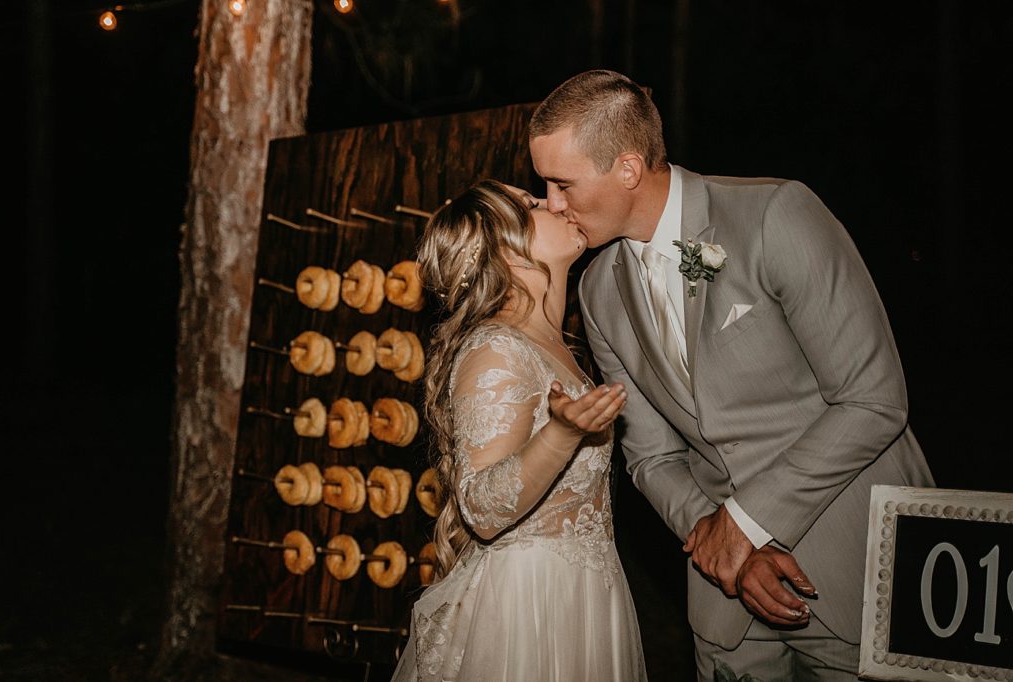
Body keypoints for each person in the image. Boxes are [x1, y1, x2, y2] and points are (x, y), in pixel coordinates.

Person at [528, 70, 934, 680]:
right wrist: (724, 548)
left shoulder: (775, 216)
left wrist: (745, 523)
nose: (551, 203)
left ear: (629, 169)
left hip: (856, 571)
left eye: (563, 184)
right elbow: (650, 457)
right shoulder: (597, 290)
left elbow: (872, 401)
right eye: (545, 186)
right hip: (728, 603)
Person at [391, 180, 648, 681]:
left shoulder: (555, 346)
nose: (554, 203)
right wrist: (561, 435)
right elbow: (482, 509)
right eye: (531, 205)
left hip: (587, 593)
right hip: (529, 608)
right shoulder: (496, 350)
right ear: (506, 250)